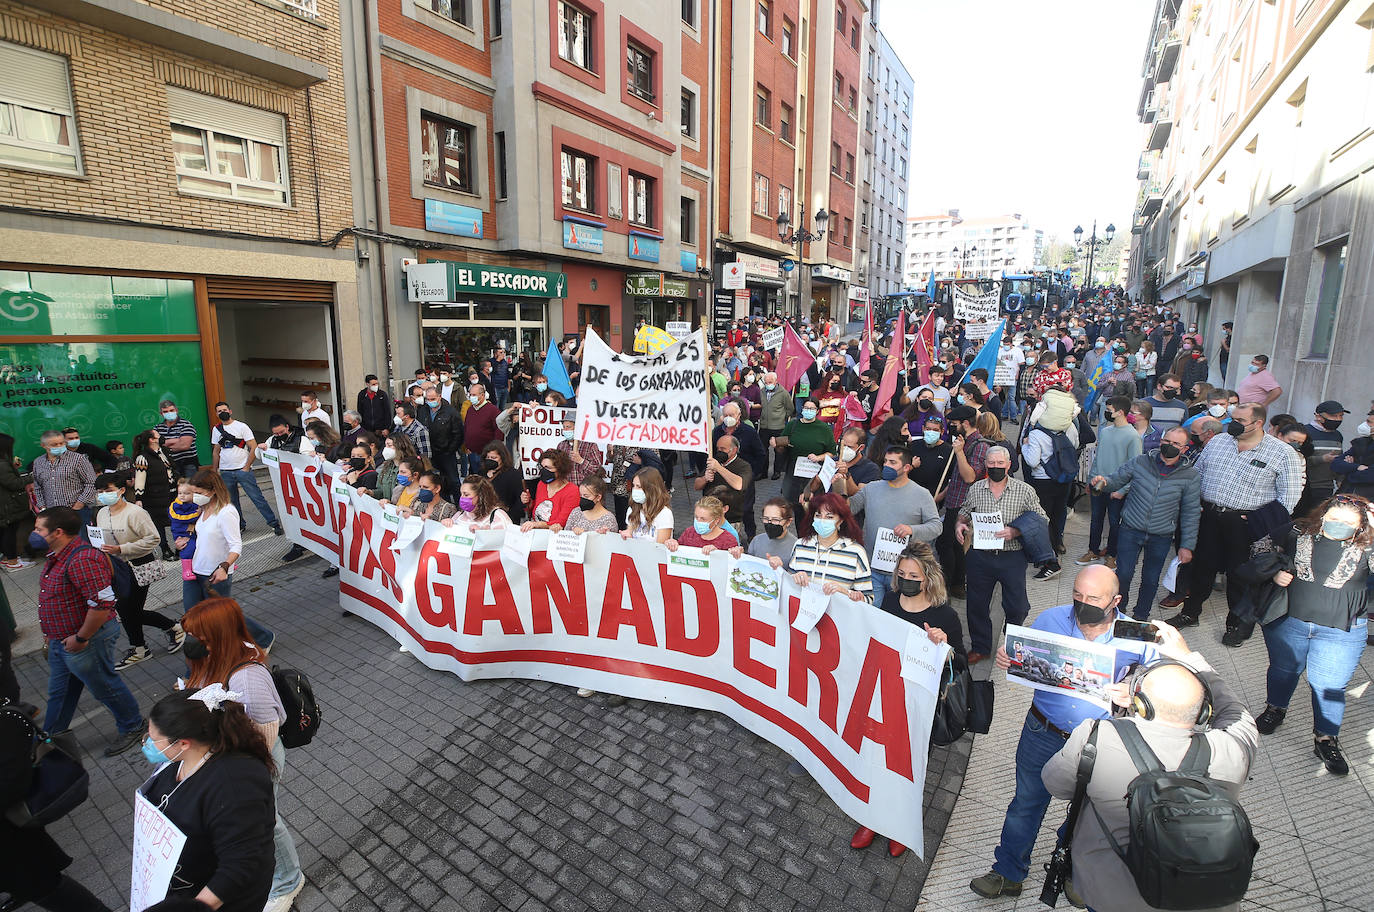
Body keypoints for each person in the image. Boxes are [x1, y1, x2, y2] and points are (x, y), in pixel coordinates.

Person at [968, 566, 1154, 900]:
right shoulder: (1051, 619)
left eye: (1093, 598)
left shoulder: (1136, 635)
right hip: (1043, 730)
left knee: (1088, 812)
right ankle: (1008, 872)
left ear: (1116, 600)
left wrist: (1135, 689)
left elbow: (1160, 679)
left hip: (1101, 740)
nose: (1083, 604)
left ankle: (1069, 868)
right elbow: (1024, 658)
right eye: (1077, 595)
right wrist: (1009, 658)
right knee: (1026, 803)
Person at [1041, 631, 1257, 912]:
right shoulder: (1233, 749)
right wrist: (1187, 656)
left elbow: (1056, 784)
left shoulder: (1097, 737)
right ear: (1204, 712)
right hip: (1206, 899)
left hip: (1114, 896)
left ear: (1140, 704)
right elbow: (1235, 710)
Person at [180, 598, 305, 911]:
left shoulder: (247, 676)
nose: (190, 642)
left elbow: (264, 734)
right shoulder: (217, 656)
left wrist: (238, 771)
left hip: (256, 757)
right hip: (233, 755)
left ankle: (288, 882)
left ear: (217, 635)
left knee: (266, 821)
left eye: (197, 636)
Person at [1165, 403, 1304, 646]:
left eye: (1240, 419)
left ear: (1258, 423)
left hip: (1246, 524)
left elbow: (1289, 497)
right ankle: (1190, 612)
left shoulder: (1282, 454)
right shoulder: (1218, 442)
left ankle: (1236, 625)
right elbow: (1198, 473)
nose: (1233, 423)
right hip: (1208, 516)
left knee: (1241, 576)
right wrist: (1192, 502)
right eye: (1232, 418)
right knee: (1200, 568)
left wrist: (1259, 522)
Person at [1254, 494, 1374, 775]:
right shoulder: (1298, 531)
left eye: (1347, 523)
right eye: (1333, 519)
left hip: (1341, 630)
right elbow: (1259, 549)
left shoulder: (1368, 544)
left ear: (1360, 525)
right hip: (1290, 621)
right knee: (1283, 670)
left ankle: (1325, 739)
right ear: (1322, 516)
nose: (1338, 526)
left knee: (1328, 687)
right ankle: (1275, 710)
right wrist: (1274, 573)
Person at [140, 688, 277, 912]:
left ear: (183, 743)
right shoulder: (176, 761)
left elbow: (240, 864)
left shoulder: (234, 785)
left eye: (154, 740)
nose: (147, 744)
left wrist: (193, 909)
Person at [33, 506, 147, 755]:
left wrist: (81, 637)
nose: (34, 533)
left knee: (104, 686)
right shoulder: (57, 555)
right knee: (59, 692)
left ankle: (133, 725)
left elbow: (102, 604)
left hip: (85, 641)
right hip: (63, 641)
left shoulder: (82, 559)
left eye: (39, 529)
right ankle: (49, 739)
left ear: (58, 532)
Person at [1091, 426, 1199, 620]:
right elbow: (1116, 480)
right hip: (1131, 529)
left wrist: (1187, 546)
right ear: (1160, 441)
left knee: (1150, 579)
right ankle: (1118, 614)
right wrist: (1103, 481)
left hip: (1162, 535)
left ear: (1184, 449)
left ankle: (1140, 617)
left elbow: (1191, 513)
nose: (1169, 446)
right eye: (1167, 441)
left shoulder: (1190, 476)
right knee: (1123, 575)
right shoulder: (1141, 461)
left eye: (1176, 444)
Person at [956, 446, 1048, 663]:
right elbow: (964, 511)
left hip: (1012, 556)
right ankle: (981, 647)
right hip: (980, 556)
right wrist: (959, 524)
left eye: (1000, 463)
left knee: (1017, 606)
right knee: (976, 604)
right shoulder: (976, 489)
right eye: (991, 463)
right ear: (986, 465)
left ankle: (1011, 644)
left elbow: (1041, 518)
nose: (996, 467)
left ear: (1008, 465)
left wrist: (1016, 530)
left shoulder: (1024, 490)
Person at [87, 472, 184, 669]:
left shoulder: (136, 513)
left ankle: (171, 629)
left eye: (108, 491)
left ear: (122, 490)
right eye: (100, 491)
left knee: (131, 611)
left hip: (138, 565)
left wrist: (122, 549)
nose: (103, 495)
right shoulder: (101, 512)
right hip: (115, 567)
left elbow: (153, 539)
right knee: (124, 609)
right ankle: (141, 647)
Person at [181, 469, 275, 650]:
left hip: (215, 575)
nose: (194, 497)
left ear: (213, 490)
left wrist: (224, 567)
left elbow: (236, 546)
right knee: (192, 617)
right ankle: (202, 656)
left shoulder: (226, 512)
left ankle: (263, 637)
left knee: (225, 616)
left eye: (199, 493)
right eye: (193, 492)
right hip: (195, 572)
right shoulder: (203, 509)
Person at [847, 447, 942, 605]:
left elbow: (936, 526)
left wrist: (912, 530)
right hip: (872, 569)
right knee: (872, 611)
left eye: (892, 462)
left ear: (906, 467)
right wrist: (841, 482)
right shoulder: (872, 488)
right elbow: (849, 508)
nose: (886, 466)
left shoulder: (922, 494)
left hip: (903, 574)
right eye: (885, 462)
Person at [766, 492, 873, 603]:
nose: (822, 520)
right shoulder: (801, 545)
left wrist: (846, 593)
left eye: (829, 517)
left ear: (840, 521)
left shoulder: (856, 552)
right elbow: (789, 585)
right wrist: (789, 575)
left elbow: (868, 600)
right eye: (818, 515)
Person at [1078, 396, 1143, 568]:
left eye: (1109, 410)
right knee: (1096, 519)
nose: (1106, 413)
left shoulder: (1133, 436)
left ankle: (1112, 555)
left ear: (1120, 412)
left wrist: (1123, 489)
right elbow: (1098, 458)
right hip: (1098, 484)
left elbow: (1135, 466)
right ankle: (1093, 550)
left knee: (1115, 523)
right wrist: (1090, 480)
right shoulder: (1105, 431)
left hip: (1117, 488)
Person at [939, 405, 991, 599]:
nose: (952, 428)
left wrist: (960, 453)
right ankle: (954, 583)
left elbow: (969, 477)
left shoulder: (980, 446)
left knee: (954, 545)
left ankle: (955, 583)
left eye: (954, 424)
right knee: (948, 544)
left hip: (965, 504)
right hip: (953, 499)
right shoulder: (963, 441)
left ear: (966, 423)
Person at [210, 402, 283, 536]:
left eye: (224, 409)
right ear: (216, 414)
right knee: (232, 501)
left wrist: (247, 466)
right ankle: (239, 525)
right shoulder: (216, 430)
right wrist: (215, 470)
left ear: (230, 411)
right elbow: (216, 451)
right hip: (225, 471)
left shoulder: (241, 426)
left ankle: (273, 523)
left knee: (257, 497)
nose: (222, 412)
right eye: (219, 411)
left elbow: (253, 446)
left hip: (242, 470)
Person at [774, 397, 838, 510]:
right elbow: (781, 444)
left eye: (812, 408)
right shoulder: (792, 425)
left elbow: (832, 453)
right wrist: (776, 443)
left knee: (812, 505)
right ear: (802, 409)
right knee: (793, 503)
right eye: (806, 408)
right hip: (794, 472)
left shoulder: (824, 429)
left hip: (814, 473)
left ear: (817, 411)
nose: (808, 410)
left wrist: (818, 457)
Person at [132, 428, 180, 561]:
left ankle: (180, 547)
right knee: (158, 524)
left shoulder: (163, 452)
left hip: (171, 493)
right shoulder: (142, 458)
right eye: (158, 435)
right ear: (151, 440)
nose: (161, 437)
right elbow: (140, 479)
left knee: (176, 521)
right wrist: (139, 498)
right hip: (154, 497)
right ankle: (165, 549)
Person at [32, 429, 96, 525]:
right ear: (43, 445)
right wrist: (42, 507)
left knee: (79, 539)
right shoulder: (38, 462)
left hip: (76, 511)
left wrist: (80, 503)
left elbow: (92, 482)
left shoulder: (78, 459)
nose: (59, 446)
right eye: (54, 445)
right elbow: (37, 487)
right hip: (52, 513)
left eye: (61, 443)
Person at [1295, 400, 1348, 517]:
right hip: (1305, 486)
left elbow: (1338, 459)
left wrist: (1340, 479)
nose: (1338, 419)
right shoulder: (1305, 432)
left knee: (1316, 518)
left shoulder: (1337, 435)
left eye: (1341, 416)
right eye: (1333, 416)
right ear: (1319, 416)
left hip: (1326, 487)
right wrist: (1322, 459)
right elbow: (1297, 459)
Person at [694, 435, 754, 533]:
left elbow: (739, 485)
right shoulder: (713, 462)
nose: (719, 451)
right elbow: (696, 486)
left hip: (731, 519)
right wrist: (705, 478)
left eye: (723, 449)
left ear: (734, 450)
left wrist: (719, 468)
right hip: (708, 518)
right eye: (718, 448)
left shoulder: (744, 466)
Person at [521, 450, 578, 531]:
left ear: (560, 469)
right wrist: (528, 502)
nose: (544, 471)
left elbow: (561, 522)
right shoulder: (541, 484)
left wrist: (536, 524)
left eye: (548, 467)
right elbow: (536, 509)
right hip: (536, 532)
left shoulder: (572, 491)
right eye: (542, 467)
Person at [419, 385, 462, 490]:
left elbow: (458, 433)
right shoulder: (423, 410)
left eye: (433, 399)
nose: (430, 402)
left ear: (439, 397)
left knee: (453, 480)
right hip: (430, 453)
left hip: (446, 453)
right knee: (435, 481)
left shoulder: (450, 412)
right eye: (428, 399)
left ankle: (459, 503)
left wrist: (450, 450)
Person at [0, 433, 31, 572]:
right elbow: (13, 484)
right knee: (10, 532)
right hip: (8, 505)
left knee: (5, 531)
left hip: (4, 504)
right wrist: (31, 478)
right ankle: (12, 561)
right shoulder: (2, 464)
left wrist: (13, 469)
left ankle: (7, 559)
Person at [758, 371, 796, 480]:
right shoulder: (762, 392)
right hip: (764, 426)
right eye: (766, 382)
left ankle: (777, 471)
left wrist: (782, 417)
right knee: (763, 450)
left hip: (778, 427)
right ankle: (763, 472)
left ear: (776, 381)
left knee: (779, 451)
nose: (768, 384)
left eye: (770, 382)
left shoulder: (783, 393)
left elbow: (790, 408)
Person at [667, 496, 739, 552]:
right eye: (696, 517)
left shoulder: (728, 540)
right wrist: (673, 544)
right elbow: (679, 550)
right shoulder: (689, 532)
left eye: (703, 519)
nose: (698, 521)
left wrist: (717, 554)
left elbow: (732, 565)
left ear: (716, 520)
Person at [1332, 404, 1374, 499]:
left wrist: (1348, 470)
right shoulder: (1361, 443)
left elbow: (1369, 475)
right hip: (1346, 494)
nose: (1365, 424)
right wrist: (1357, 466)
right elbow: (1336, 463)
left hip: (1367, 500)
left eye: (1369, 422)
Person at [621, 469, 674, 543]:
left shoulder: (664, 514)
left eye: (638, 486)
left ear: (651, 489)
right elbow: (629, 532)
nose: (634, 489)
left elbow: (660, 547)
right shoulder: (632, 509)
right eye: (633, 485)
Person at [462, 382, 502, 475]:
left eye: (474, 395)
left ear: (482, 395)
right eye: (470, 394)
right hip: (472, 452)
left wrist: (494, 450)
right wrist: (466, 445)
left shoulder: (492, 410)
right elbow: (467, 427)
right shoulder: (470, 409)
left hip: (486, 453)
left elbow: (499, 430)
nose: (471, 397)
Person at [480, 442, 526, 522]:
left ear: (502, 458)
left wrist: (508, 517)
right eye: (488, 457)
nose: (490, 460)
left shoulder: (513, 474)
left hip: (505, 517)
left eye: (494, 458)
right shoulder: (482, 472)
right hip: (484, 517)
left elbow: (519, 500)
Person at [908, 415, 951, 500]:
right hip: (911, 495)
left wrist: (939, 497)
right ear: (923, 429)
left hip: (935, 497)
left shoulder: (949, 450)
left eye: (935, 430)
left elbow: (952, 480)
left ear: (942, 431)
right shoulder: (913, 445)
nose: (931, 432)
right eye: (928, 429)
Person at [741, 497, 797, 562]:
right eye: (766, 519)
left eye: (775, 520)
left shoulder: (796, 547)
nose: (770, 523)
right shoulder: (757, 541)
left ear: (788, 522)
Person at [156, 400, 201, 478]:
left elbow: (185, 445)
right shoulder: (158, 428)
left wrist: (164, 445)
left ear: (176, 410)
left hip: (188, 464)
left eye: (171, 410)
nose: (169, 413)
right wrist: (177, 440)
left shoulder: (186, 424)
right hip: (168, 465)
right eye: (165, 411)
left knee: (190, 488)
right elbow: (154, 444)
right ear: (161, 414)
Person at [556, 418, 604, 486]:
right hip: (566, 488)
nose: (565, 430)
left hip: (585, 489)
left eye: (568, 427)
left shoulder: (590, 445)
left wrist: (581, 461)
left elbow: (598, 471)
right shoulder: (561, 446)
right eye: (564, 427)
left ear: (577, 429)